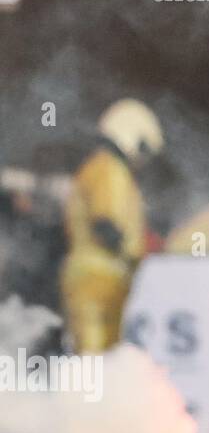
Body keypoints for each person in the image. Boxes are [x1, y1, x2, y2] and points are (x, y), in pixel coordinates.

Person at [61, 99, 164, 353]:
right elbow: (106, 222)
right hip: (98, 276)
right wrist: (134, 253)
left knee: (103, 358)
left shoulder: (102, 167)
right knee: (95, 359)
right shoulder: (109, 169)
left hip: (103, 277)